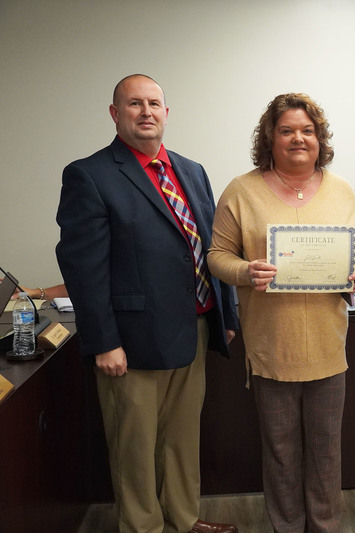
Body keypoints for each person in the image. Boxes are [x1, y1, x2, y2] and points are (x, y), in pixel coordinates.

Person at [56, 74, 239, 533]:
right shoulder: (90, 174)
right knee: (133, 443)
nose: (146, 112)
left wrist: (226, 313)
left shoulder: (191, 170)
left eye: (154, 103)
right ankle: (142, 526)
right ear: (115, 114)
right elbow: (84, 269)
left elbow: (213, 246)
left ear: (166, 112)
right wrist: (103, 342)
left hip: (193, 327)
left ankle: (182, 517)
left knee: (182, 436)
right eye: (134, 104)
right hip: (131, 340)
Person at [207, 93, 355, 533]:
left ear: (320, 138)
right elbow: (216, 255)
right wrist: (245, 270)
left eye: (307, 130)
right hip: (271, 347)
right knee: (279, 453)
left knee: (326, 451)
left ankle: (326, 527)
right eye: (287, 130)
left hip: (326, 346)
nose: (299, 138)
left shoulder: (342, 190)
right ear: (270, 138)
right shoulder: (242, 191)